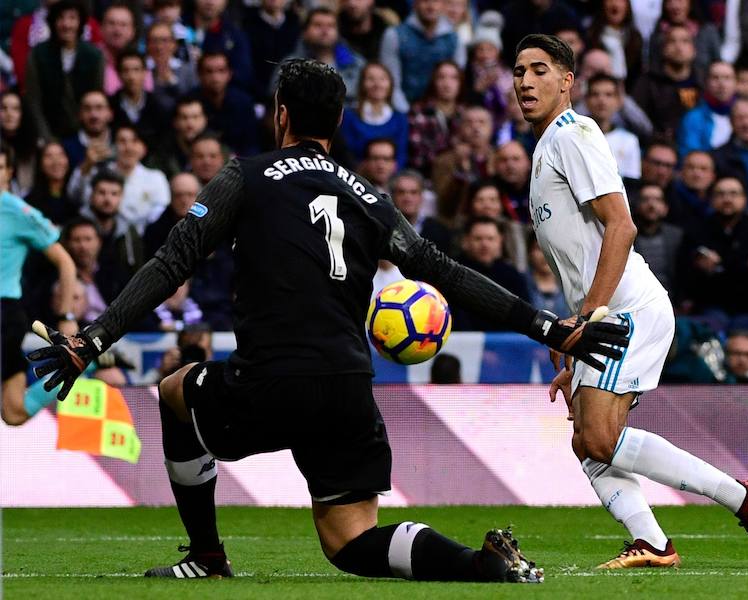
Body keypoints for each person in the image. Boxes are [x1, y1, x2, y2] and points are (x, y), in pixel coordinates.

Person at [28, 58, 629, 582]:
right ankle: (478, 563)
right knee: (350, 541)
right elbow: (446, 272)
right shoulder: (371, 198)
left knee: (174, 391)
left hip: (268, 380)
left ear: (281, 115)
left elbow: (171, 260)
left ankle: (208, 555)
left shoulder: (247, 175)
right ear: (339, 123)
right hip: (346, 387)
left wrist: (93, 339)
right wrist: (552, 327)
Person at [512, 33, 748, 570]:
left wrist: (588, 316)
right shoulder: (546, 147)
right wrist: (571, 342)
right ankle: (653, 543)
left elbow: (622, 226)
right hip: (601, 314)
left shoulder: (575, 133)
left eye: (539, 70)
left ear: (567, 82)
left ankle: (745, 495)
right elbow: (580, 254)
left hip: (625, 309)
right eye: (518, 71)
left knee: (599, 435)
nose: (524, 81)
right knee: (586, 443)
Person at [1, 144, 79, 426]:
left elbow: (66, 263)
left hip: (4, 313)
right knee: (12, 413)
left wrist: (66, 316)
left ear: (9, 172)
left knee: (14, 412)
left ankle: (80, 363)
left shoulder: (19, 212)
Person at [682, 176, 748, 331]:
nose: (727, 199)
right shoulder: (697, 231)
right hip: (714, 305)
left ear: (744, 199)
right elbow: (685, 281)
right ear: (711, 200)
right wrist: (702, 270)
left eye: (734, 194)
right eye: (720, 194)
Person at [24, 0, 104, 142]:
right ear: (53, 22)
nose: (66, 24)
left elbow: (96, 97)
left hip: (84, 135)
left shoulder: (94, 56)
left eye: (72, 18)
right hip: (47, 134)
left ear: (81, 22)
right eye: (61, 18)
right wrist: (47, 138)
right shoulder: (38, 54)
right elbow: (33, 101)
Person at [379, 0, 465, 112]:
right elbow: (391, 83)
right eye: (425, 1)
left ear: (444, 5)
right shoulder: (394, 35)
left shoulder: (454, 39)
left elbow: (455, 84)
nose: (431, 6)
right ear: (415, 4)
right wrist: (408, 112)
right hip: (403, 109)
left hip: (441, 112)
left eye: (436, 1)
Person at [340, 62, 409, 167]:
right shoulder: (349, 117)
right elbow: (346, 154)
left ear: (391, 84)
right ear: (362, 84)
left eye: (382, 79)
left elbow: (401, 155)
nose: (377, 84)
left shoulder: (400, 119)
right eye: (371, 79)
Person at [677, 61, 736, 157]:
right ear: (706, 82)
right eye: (715, 78)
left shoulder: (745, 116)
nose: (722, 84)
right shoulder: (693, 118)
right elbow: (689, 155)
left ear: (735, 83)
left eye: (727, 78)